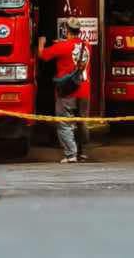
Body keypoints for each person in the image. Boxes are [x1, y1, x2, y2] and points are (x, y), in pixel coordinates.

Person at [38, 20, 92, 163]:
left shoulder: (61, 46)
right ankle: (83, 153)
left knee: (64, 122)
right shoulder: (86, 46)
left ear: (66, 30)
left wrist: (41, 42)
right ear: (79, 31)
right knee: (82, 122)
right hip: (84, 89)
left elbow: (42, 55)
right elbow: (72, 47)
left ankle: (71, 154)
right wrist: (61, 43)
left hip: (68, 90)